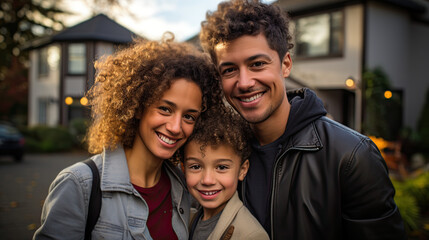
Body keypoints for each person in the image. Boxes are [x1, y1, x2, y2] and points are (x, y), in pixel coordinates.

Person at [199, 0, 406, 239]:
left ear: (286, 64)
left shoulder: (351, 156)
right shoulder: (223, 150)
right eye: (229, 70)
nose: (244, 82)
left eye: (257, 64)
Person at [33, 35, 224, 240]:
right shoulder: (79, 185)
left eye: (189, 116)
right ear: (138, 106)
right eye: (165, 109)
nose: (176, 127)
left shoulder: (184, 186)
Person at [182, 108, 269, 240]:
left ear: (242, 170)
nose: (207, 180)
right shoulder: (188, 219)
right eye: (196, 166)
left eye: (221, 167)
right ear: (184, 168)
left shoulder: (251, 235)